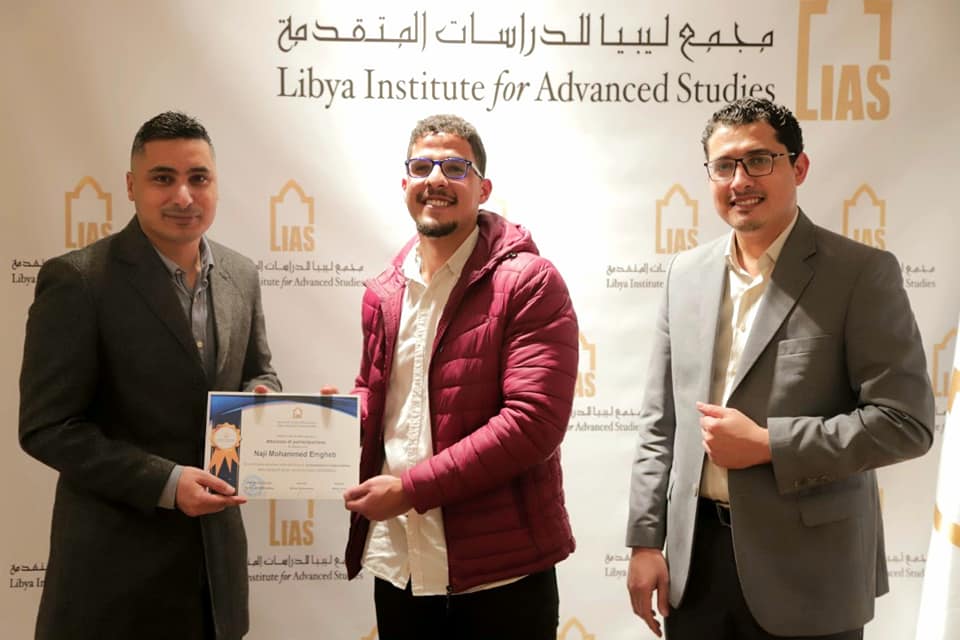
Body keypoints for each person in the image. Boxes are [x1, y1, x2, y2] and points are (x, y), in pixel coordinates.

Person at [625, 97, 934, 639]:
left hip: (811, 573)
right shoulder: (684, 274)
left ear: (799, 167)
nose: (740, 180)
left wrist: (771, 445)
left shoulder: (860, 274)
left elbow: (905, 423)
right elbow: (660, 423)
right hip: (696, 568)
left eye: (758, 160)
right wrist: (646, 541)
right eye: (724, 165)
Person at [19, 111, 281, 639]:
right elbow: (47, 427)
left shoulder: (241, 274)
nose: (183, 196)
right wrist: (166, 482)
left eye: (198, 178)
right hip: (114, 585)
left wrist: (262, 401)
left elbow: (260, 372)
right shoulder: (78, 280)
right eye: (163, 178)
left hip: (215, 581)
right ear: (131, 186)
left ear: (216, 184)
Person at [337, 114, 578, 639]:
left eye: (454, 168)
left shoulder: (529, 282)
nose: (436, 180)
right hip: (401, 566)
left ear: (483, 189)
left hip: (501, 576)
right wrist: (338, 419)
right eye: (422, 167)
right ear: (405, 183)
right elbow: (387, 398)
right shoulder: (384, 292)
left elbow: (533, 423)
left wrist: (411, 490)